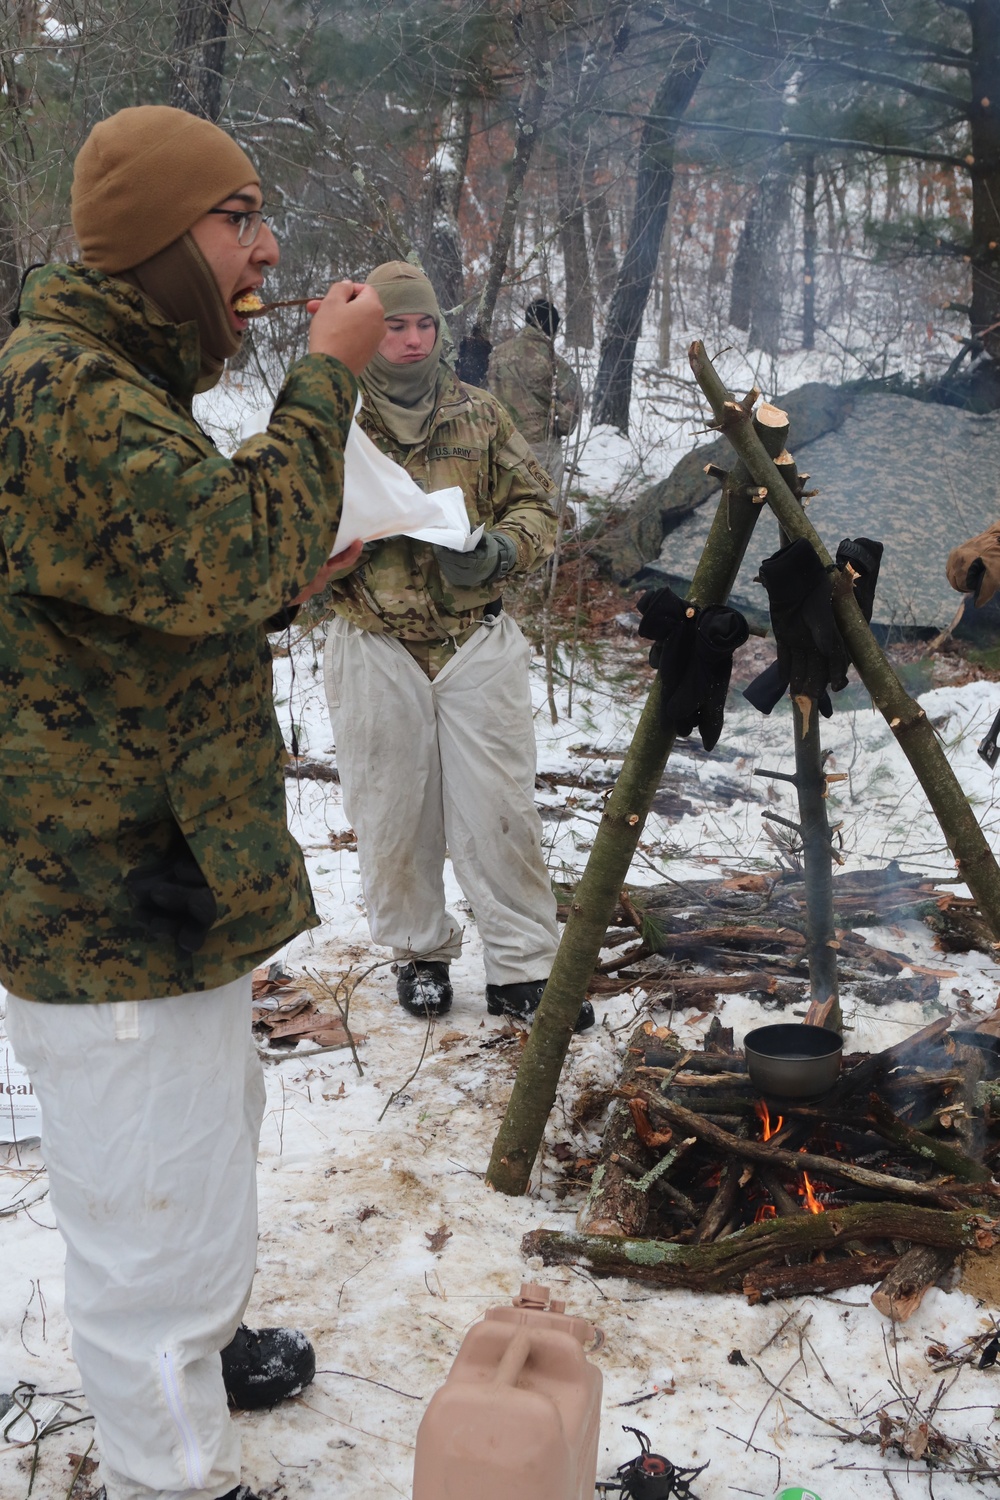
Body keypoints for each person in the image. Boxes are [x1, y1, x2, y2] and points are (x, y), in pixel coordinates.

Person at [0, 104, 385, 1500]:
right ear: (166, 241)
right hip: (101, 894)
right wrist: (324, 384)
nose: (267, 244)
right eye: (238, 218)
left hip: (165, 870)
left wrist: (288, 568)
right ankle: (171, 1471)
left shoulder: (113, 380)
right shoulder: (65, 389)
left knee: (204, 1146)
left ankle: (203, 1351)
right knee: (149, 1207)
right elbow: (217, 555)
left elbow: (162, 587)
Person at [322, 262, 593, 1031]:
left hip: (474, 638)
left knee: (500, 808)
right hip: (375, 639)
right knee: (392, 809)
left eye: (424, 326)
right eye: (393, 326)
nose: (411, 341)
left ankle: (524, 966)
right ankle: (420, 955)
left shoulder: (479, 416)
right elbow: (279, 515)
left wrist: (501, 552)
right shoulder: (334, 420)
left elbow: (539, 506)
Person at [488, 297, 582, 489]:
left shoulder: (498, 354)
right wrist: (559, 429)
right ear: (552, 327)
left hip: (502, 443)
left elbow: (485, 395)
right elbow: (572, 403)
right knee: (546, 505)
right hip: (539, 446)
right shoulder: (554, 361)